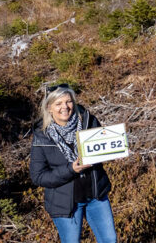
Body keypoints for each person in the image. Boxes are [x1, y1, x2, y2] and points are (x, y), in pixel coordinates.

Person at [30, 84, 117, 243]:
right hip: (65, 204)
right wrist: (70, 169)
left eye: (69, 102)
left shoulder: (88, 121)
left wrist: (115, 148)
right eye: (58, 104)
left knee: (110, 240)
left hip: (96, 196)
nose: (65, 107)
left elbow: (102, 148)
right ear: (49, 108)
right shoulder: (42, 136)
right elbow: (38, 176)